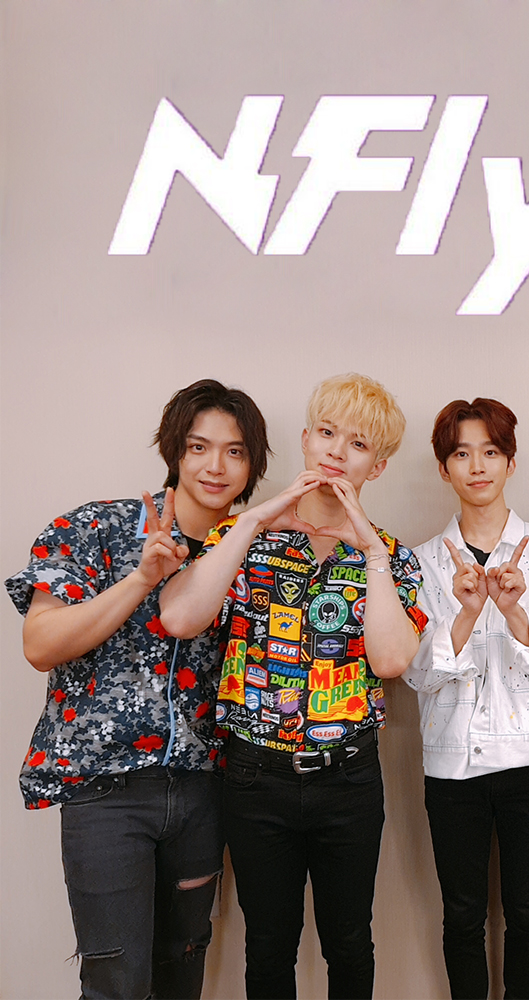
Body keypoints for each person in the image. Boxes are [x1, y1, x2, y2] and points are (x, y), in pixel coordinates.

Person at [160, 373, 425, 1000]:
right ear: (305, 439)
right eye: (327, 433)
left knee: (350, 944)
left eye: (357, 444)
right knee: (268, 946)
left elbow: (391, 660)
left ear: (377, 466)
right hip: (256, 776)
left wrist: (371, 552)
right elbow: (181, 617)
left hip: (348, 778)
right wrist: (254, 520)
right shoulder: (240, 538)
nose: (336, 452)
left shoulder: (391, 556)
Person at [5, 379, 269, 1000]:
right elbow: (40, 644)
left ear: (252, 465)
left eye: (234, 452)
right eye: (199, 447)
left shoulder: (254, 556)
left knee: (184, 968)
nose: (215, 466)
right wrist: (141, 580)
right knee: (115, 979)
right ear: (174, 450)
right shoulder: (97, 527)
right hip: (105, 793)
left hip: (204, 791)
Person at [404, 398, 529, 1000]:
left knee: (528, 913)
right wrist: (467, 614)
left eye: (491, 452)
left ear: (510, 462)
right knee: (461, 915)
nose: (477, 466)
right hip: (452, 765)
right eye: (461, 454)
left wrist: (514, 612)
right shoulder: (418, 561)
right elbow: (415, 673)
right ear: (443, 468)